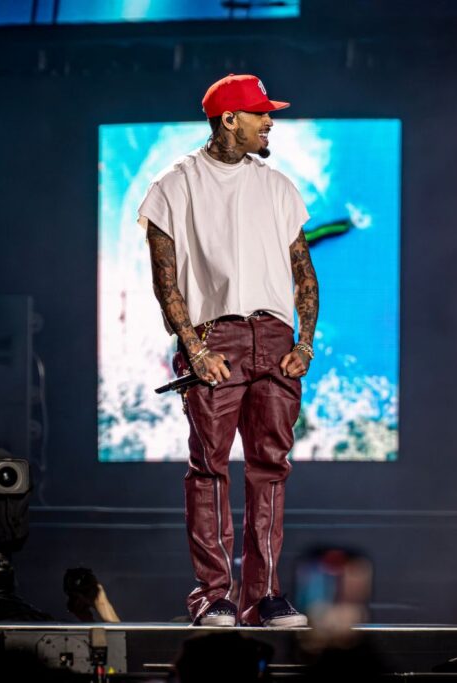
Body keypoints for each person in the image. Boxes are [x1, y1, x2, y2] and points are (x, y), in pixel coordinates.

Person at [140, 73, 318, 627]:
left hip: (275, 338)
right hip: (214, 340)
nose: (271, 123)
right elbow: (165, 283)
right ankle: (213, 596)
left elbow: (304, 274)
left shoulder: (278, 186)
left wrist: (305, 343)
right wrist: (193, 349)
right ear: (229, 120)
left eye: (271, 114)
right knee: (209, 469)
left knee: (270, 468)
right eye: (262, 114)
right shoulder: (175, 185)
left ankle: (263, 597)